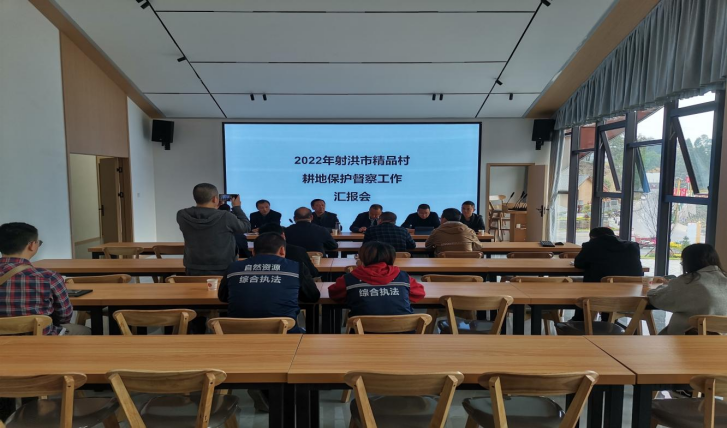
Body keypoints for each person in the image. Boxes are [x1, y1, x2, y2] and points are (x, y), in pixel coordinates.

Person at [218, 233, 320, 332]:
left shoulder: (233, 267)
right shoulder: (297, 267)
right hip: (284, 334)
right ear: (282, 250)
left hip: (237, 334)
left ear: (253, 251)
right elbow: (312, 296)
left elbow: (223, 297)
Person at [0, 222, 88, 335]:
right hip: (42, 339)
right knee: (85, 331)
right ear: (32, 245)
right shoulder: (49, 277)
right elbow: (64, 316)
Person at [328, 241, 425, 316]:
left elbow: (334, 294)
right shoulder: (404, 277)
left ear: (363, 258)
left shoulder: (349, 278)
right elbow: (419, 294)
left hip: (362, 331)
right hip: (404, 331)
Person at [648, 244, 727, 335]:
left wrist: (664, 286)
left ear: (689, 262)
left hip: (685, 339)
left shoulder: (687, 281)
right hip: (722, 341)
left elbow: (657, 298)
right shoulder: (724, 278)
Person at [177, 183, 251, 276]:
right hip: (223, 266)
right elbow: (246, 227)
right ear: (215, 199)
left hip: (193, 266)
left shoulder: (182, 215)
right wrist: (237, 208)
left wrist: (214, 208)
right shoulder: (226, 216)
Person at [574, 227, 643, 283]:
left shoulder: (591, 245)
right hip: (633, 288)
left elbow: (578, 264)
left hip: (599, 287)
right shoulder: (632, 246)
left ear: (592, 237)